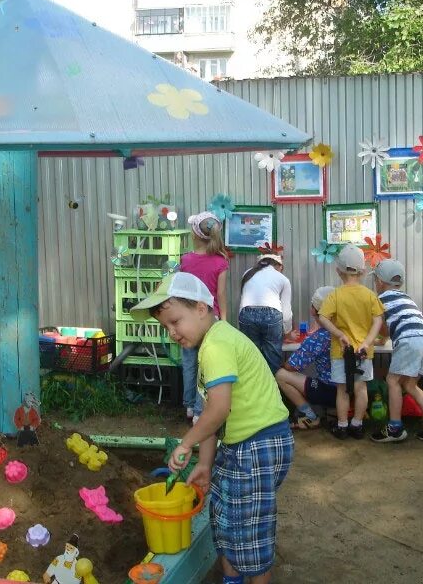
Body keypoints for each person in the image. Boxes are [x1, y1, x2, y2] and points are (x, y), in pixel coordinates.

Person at [130, 272, 293, 584]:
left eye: (176, 321)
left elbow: (218, 411)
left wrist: (184, 444)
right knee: (225, 517)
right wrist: (204, 463)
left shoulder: (217, 345)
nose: (172, 332)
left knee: (249, 533)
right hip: (244, 444)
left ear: (201, 308)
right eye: (166, 327)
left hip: (257, 446)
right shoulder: (211, 344)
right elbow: (209, 413)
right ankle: (231, 579)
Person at [369, 259, 423, 443]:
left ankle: (395, 428)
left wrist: (375, 339)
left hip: (409, 341)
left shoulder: (380, 300)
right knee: (410, 385)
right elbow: (392, 327)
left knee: (392, 380)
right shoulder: (406, 298)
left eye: (375, 281)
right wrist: (384, 339)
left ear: (380, 282)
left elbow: (380, 325)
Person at [317, 244, 384, 440]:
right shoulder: (370, 295)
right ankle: (357, 424)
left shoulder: (335, 295)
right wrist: (367, 342)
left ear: (338, 271)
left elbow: (323, 317)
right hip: (364, 351)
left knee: (342, 390)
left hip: (341, 351)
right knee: (360, 387)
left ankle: (342, 426)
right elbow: (378, 320)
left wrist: (339, 334)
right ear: (363, 271)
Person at [180, 211, 229, 423]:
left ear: (195, 235)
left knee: (189, 363)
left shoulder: (185, 260)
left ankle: (189, 406)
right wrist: (224, 319)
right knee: (206, 365)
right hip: (210, 319)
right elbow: (221, 294)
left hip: (187, 319)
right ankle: (200, 412)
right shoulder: (221, 262)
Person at [275, 286, 337, 429]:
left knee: (280, 374)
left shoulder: (319, 337)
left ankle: (309, 415)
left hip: (328, 391)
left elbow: (291, 366)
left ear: (314, 310)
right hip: (348, 389)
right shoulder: (347, 329)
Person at [238, 253, 292, 374]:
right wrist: (288, 333)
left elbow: (242, 303)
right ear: (279, 266)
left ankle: (252, 390)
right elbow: (287, 312)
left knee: (250, 357)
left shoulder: (247, 274)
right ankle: (273, 390)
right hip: (272, 314)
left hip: (246, 314)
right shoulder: (282, 279)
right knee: (272, 360)